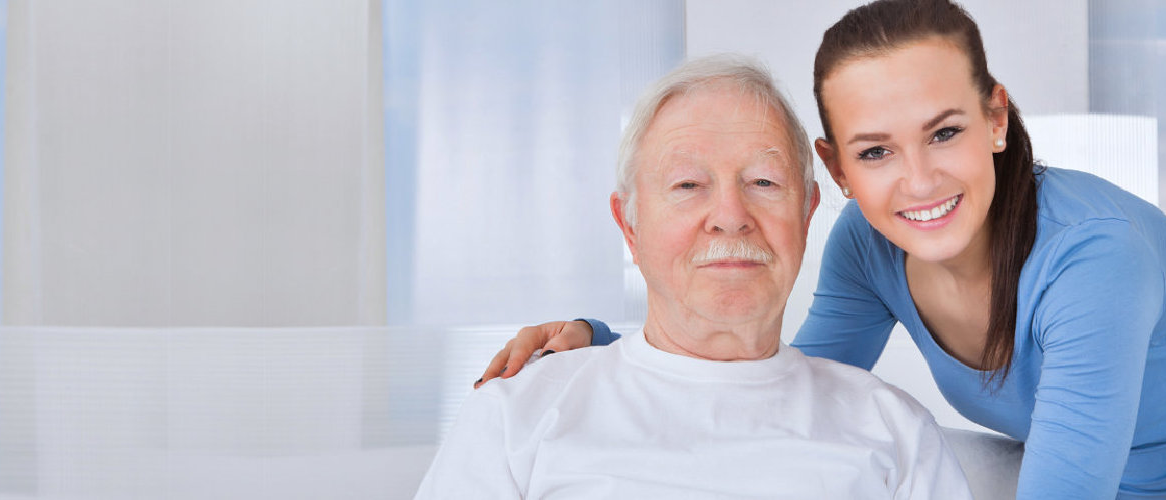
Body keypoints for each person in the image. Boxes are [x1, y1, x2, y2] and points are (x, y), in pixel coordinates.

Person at [481, 0, 1166, 497]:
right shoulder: (868, 244)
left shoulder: (1094, 254)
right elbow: (793, 383)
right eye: (875, 151)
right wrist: (619, 340)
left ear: (996, 116)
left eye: (943, 131)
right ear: (837, 167)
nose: (918, 180)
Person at [417, 54, 972, 499]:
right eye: (687, 185)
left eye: (762, 181)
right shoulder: (517, 414)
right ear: (629, 227)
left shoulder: (894, 432)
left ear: (806, 217)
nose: (731, 215)